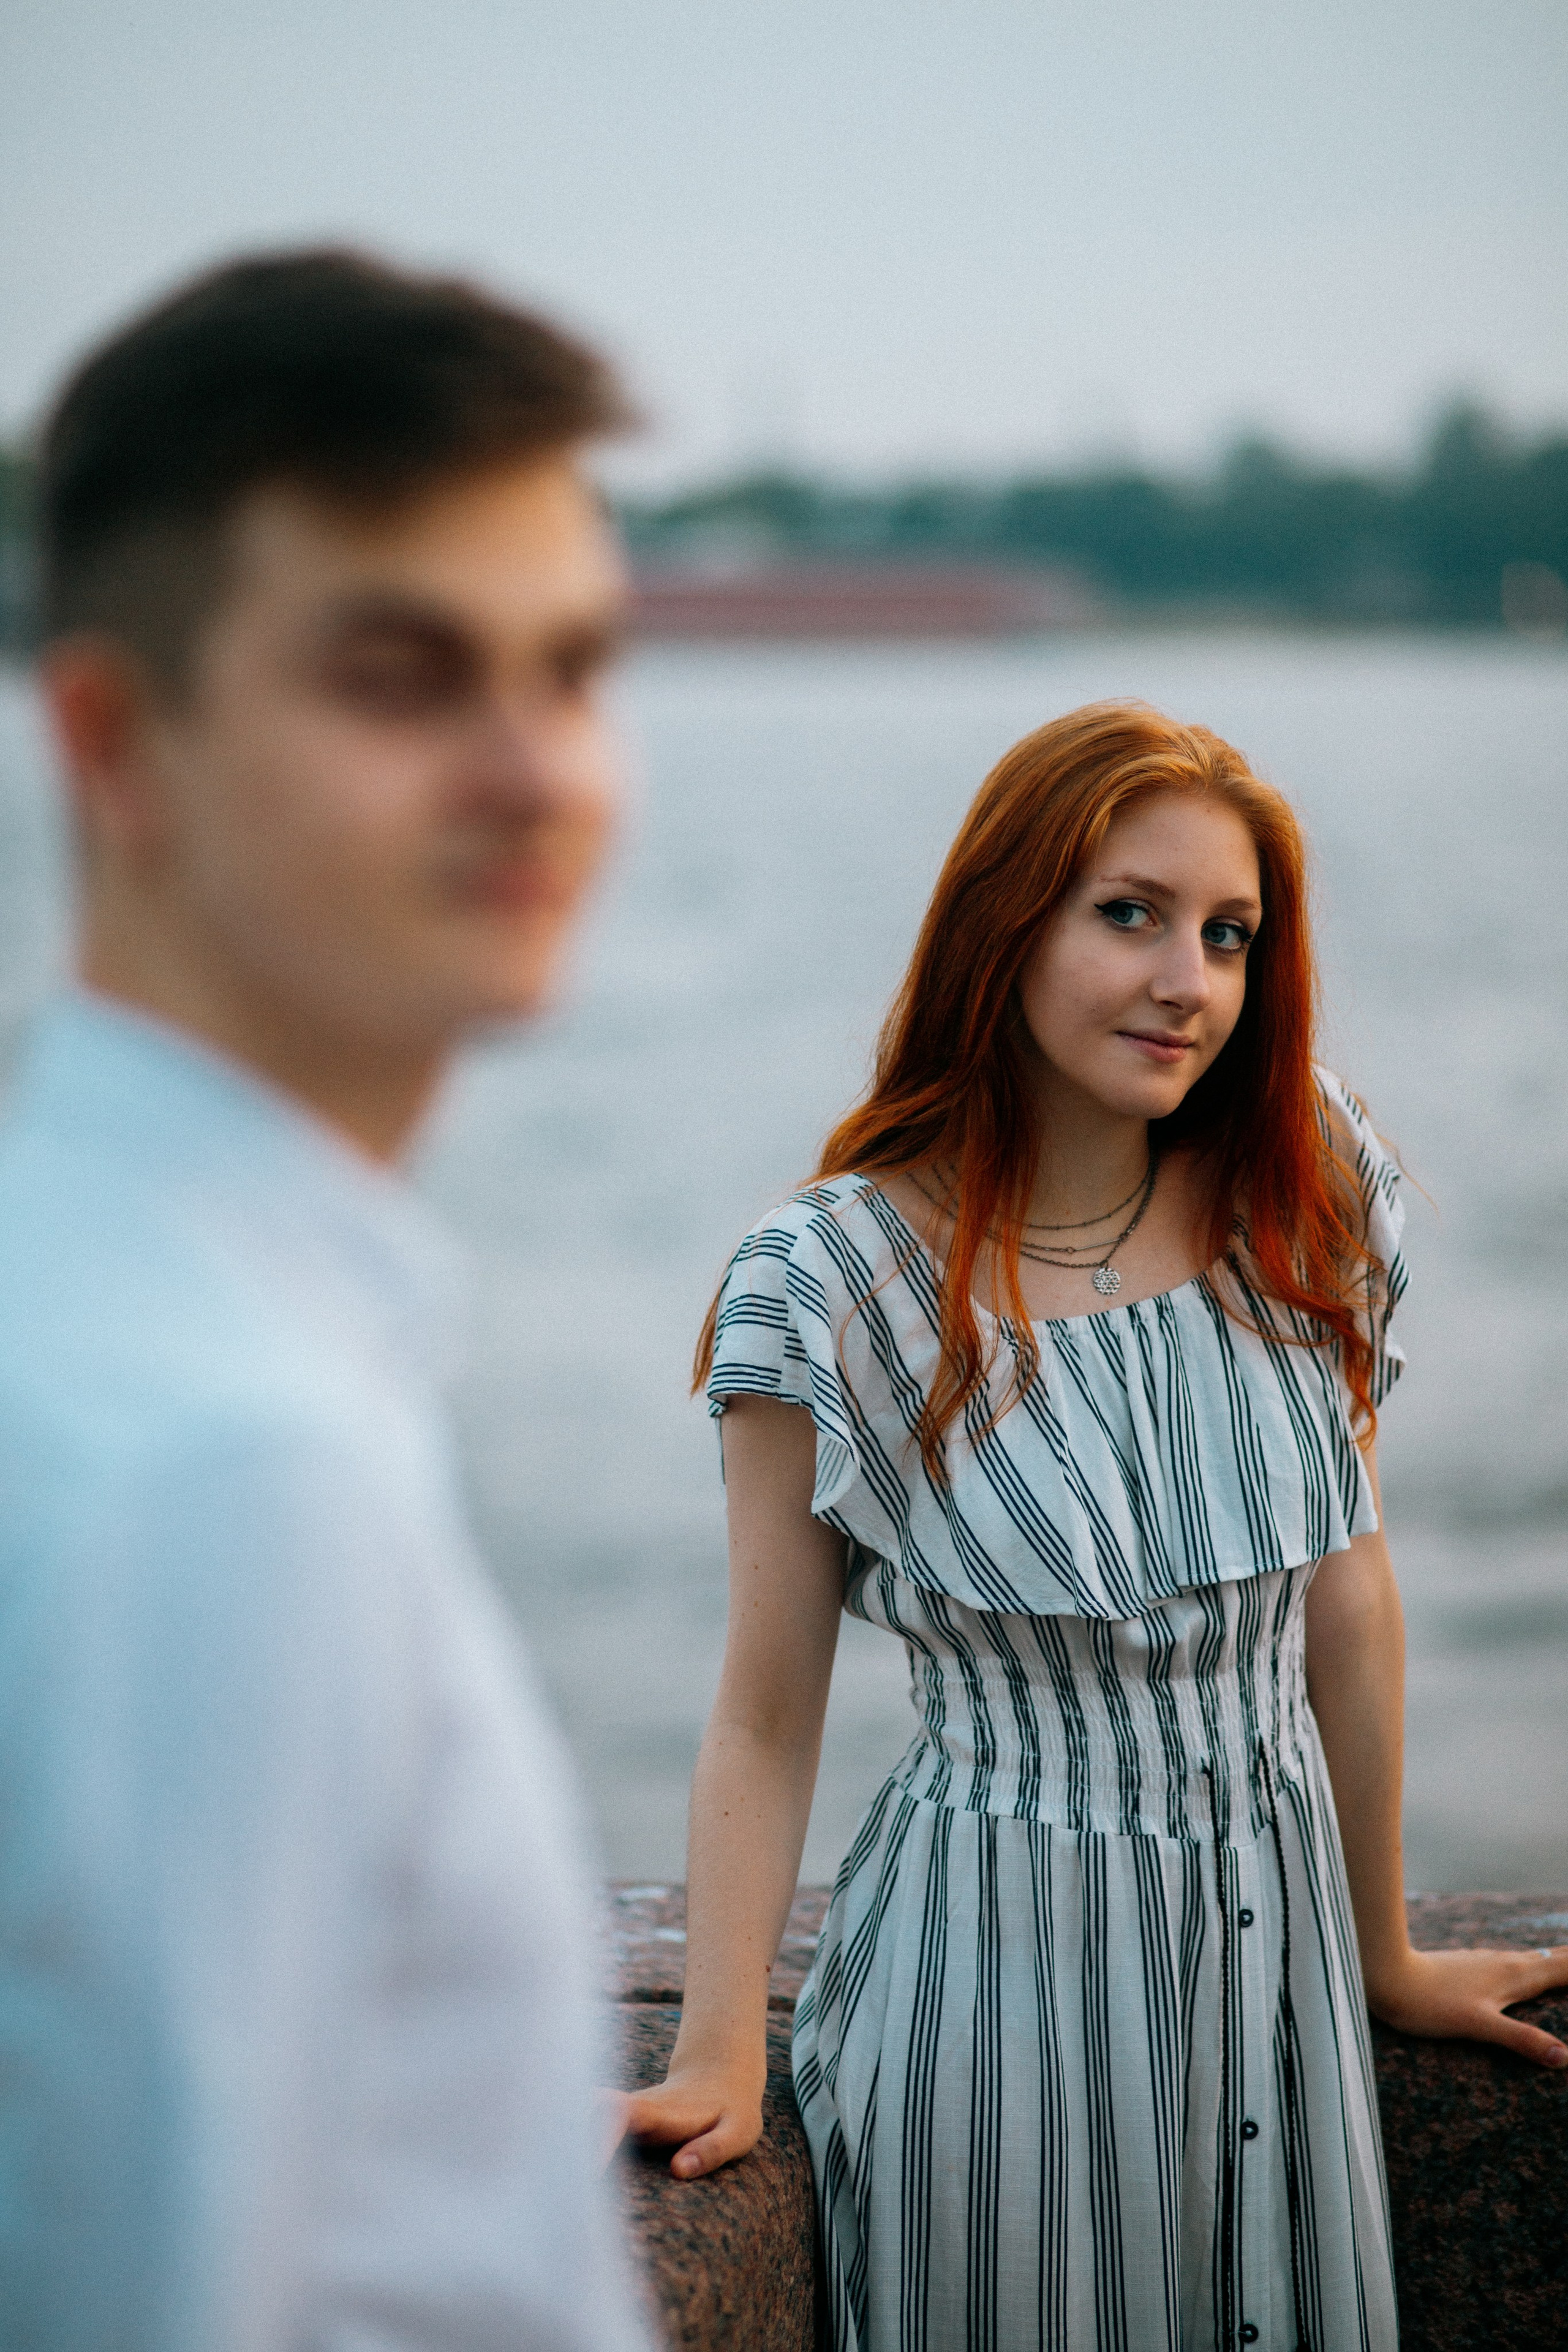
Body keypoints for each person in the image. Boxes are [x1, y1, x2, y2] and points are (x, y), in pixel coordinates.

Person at [626, 703, 1568, 2350]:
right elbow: (765, 1711)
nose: (1187, 979)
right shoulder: (833, 1282)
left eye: (1229, 935)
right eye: (1128, 913)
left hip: (1285, 1992)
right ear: (1008, 920)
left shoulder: (1306, 1184)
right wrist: (718, 2045)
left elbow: (1347, 1590)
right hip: (988, 2008)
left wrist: (1385, 1944)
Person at [0, 250, 650, 2351]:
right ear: (118, 743)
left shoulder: (87, 1310)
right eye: (403, 674)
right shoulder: (221, 1459)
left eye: (574, 668)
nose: (538, 768)